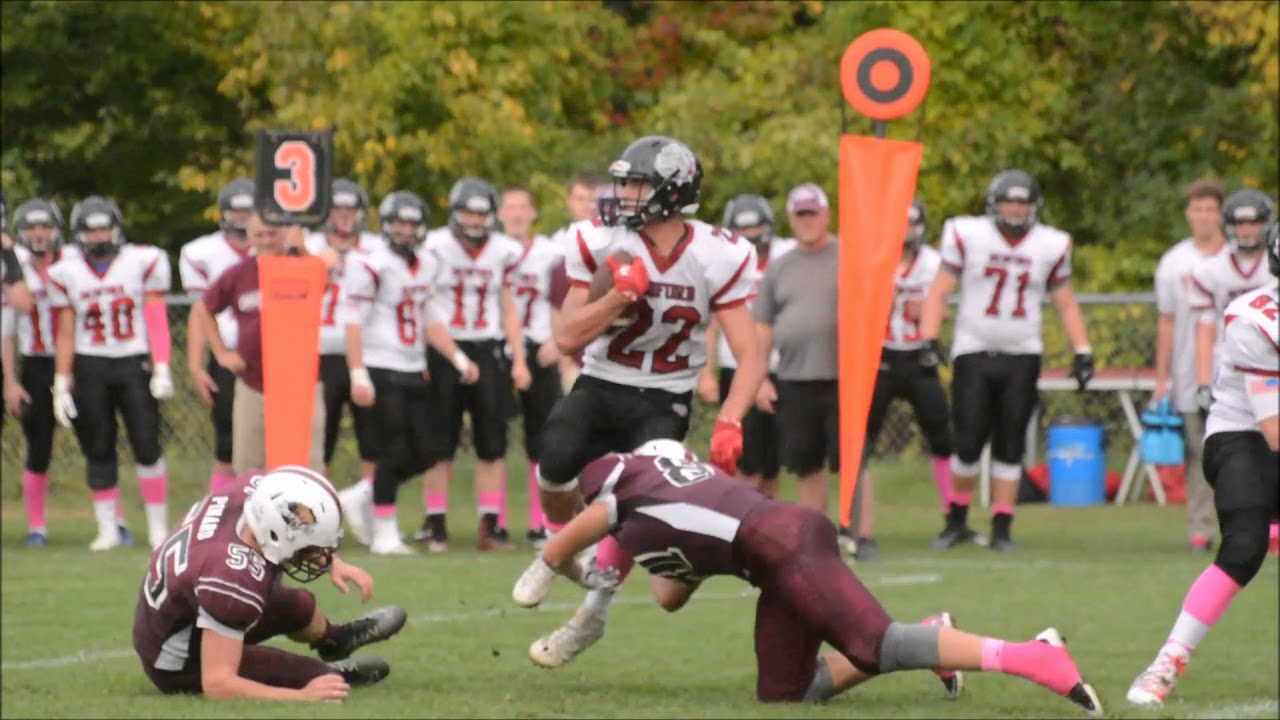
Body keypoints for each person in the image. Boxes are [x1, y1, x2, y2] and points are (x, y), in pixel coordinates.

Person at [512, 440, 1103, 715]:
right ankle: (933, 639)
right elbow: (671, 595)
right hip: (775, 554)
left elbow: (556, 551)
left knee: (875, 642)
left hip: (783, 546)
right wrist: (648, 555)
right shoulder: (665, 490)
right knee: (786, 694)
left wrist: (587, 577)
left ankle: (1033, 655)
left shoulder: (627, 494)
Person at [526, 135, 764, 669]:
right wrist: (616, 297)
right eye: (627, 182)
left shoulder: (716, 253)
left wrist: (730, 418)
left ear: (672, 192)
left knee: (638, 497)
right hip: (603, 379)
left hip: (666, 396)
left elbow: (749, 355)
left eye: (638, 183)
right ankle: (564, 553)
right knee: (555, 456)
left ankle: (592, 613)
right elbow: (567, 337)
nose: (625, 193)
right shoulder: (601, 240)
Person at [1126, 222, 1280, 708]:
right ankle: (1167, 662)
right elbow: (1273, 429)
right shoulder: (1256, 319)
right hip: (1243, 435)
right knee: (1245, 546)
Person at [918, 169, 1094, 552]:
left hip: (1023, 353)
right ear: (994, 204)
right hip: (973, 349)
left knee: (1010, 445)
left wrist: (1083, 350)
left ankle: (1002, 527)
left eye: (1022, 202)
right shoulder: (969, 234)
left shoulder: (1051, 243)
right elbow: (940, 290)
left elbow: (1065, 301)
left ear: (1034, 207)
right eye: (1008, 201)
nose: (1015, 209)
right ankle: (957, 521)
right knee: (966, 443)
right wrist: (928, 337)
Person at [132, 464, 407, 701]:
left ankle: (336, 641)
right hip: (176, 657)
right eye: (311, 549)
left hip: (179, 609)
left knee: (298, 606)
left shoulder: (254, 498)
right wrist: (301, 697)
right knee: (308, 675)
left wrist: (334, 563)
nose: (319, 558)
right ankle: (334, 673)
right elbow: (217, 683)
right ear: (276, 534)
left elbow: (290, 524)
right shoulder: (230, 576)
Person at [341, 190, 477, 556]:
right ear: (386, 225)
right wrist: (357, 373)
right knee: (393, 448)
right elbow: (352, 322)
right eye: (399, 223)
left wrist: (458, 358)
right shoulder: (370, 262)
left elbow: (430, 318)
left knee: (430, 450)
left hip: (415, 366)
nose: (405, 230)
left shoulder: (430, 262)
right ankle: (385, 530)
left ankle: (364, 494)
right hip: (380, 366)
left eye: (412, 223)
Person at [47, 196, 173, 550]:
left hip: (133, 361)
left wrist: (161, 365)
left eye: (104, 227)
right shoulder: (66, 272)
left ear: (117, 228)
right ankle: (108, 529)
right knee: (98, 446)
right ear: (78, 235)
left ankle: (158, 529)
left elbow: (155, 315)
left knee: (147, 444)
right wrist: (61, 382)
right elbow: (66, 331)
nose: (99, 235)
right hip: (90, 365)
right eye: (91, 230)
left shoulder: (141, 260)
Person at [414, 177, 531, 553]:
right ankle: (435, 525)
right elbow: (425, 304)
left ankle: (491, 525)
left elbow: (508, 306)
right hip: (444, 347)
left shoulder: (505, 250)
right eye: (469, 212)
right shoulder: (434, 246)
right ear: (455, 213)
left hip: (488, 348)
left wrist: (519, 359)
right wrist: (448, 354)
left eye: (482, 213)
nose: (476, 220)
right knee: (438, 443)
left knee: (492, 445)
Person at [189, 212, 327, 475]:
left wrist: (301, 249)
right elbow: (203, 308)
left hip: (300, 385)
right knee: (249, 470)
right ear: (250, 237)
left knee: (306, 470)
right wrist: (221, 352)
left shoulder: (302, 267)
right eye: (259, 235)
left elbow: (324, 281)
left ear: (284, 234)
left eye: (272, 234)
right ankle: (254, 517)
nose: (266, 240)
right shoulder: (239, 274)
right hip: (254, 383)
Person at [856, 199, 956, 559]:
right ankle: (858, 522)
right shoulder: (873, 260)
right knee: (862, 441)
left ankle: (953, 516)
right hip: (880, 355)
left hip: (918, 355)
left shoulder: (932, 262)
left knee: (942, 435)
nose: (906, 233)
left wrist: (928, 313)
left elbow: (941, 305)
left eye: (911, 225)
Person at [752, 183, 841, 517]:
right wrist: (759, 378)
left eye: (812, 213)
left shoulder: (848, 256)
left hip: (844, 378)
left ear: (826, 214)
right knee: (806, 463)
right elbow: (762, 326)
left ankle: (859, 534)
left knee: (852, 462)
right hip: (794, 375)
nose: (807, 221)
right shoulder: (780, 266)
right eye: (800, 214)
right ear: (790, 218)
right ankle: (816, 533)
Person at [700, 193, 794, 499]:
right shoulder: (722, 262)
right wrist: (706, 373)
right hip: (738, 368)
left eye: (757, 233)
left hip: (785, 367)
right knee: (746, 461)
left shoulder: (787, 256)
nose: (753, 241)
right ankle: (742, 525)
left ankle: (766, 528)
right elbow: (711, 323)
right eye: (745, 235)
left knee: (772, 465)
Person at [1152, 179, 1227, 552]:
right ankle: (1200, 528)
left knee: (1249, 453)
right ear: (1187, 213)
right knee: (1200, 453)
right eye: (1197, 209)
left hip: (1240, 373)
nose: (1203, 216)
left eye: (1210, 209)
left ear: (1222, 214)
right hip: (1188, 372)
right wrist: (1161, 377)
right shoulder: (1174, 262)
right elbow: (1166, 320)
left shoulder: (1240, 258)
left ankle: (1252, 525)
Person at [3, 199, 80, 547]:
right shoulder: (14, 266)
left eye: (44, 226)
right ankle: (37, 525)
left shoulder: (76, 260)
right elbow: (9, 324)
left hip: (82, 357)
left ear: (56, 229)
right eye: (31, 227)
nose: (38, 233)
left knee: (98, 437)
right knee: (39, 442)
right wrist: (10, 381)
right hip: (36, 361)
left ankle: (115, 522)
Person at [305, 178, 384, 512]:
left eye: (350, 209)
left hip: (368, 352)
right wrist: (315, 270)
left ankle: (367, 508)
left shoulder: (377, 249)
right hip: (317, 351)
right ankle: (318, 513)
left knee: (373, 437)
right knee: (321, 439)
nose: (343, 216)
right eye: (336, 209)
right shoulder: (308, 247)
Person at [499, 185, 570, 548]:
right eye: (509, 206)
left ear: (533, 213)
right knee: (492, 439)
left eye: (522, 206)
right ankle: (493, 522)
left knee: (544, 439)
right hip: (497, 347)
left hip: (540, 346)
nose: (515, 213)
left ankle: (539, 521)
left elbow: (570, 297)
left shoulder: (552, 252)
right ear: (499, 213)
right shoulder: (489, 250)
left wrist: (559, 342)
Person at [180, 178, 255, 496]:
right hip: (228, 354)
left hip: (274, 356)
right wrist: (197, 365)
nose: (243, 219)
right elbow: (200, 312)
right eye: (236, 212)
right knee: (226, 443)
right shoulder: (202, 252)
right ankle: (219, 518)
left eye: (248, 211)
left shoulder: (276, 247)